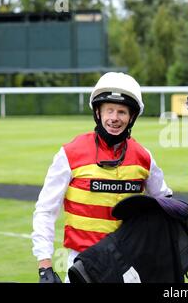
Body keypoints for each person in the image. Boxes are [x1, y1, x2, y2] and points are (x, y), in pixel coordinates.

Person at [32, 72, 173, 283]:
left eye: (122, 112)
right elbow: (45, 210)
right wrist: (45, 267)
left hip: (131, 268)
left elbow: (164, 202)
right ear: (98, 112)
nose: (114, 118)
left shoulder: (144, 157)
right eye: (109, 110)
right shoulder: (70, 153)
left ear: (131, 117)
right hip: (83, 266)